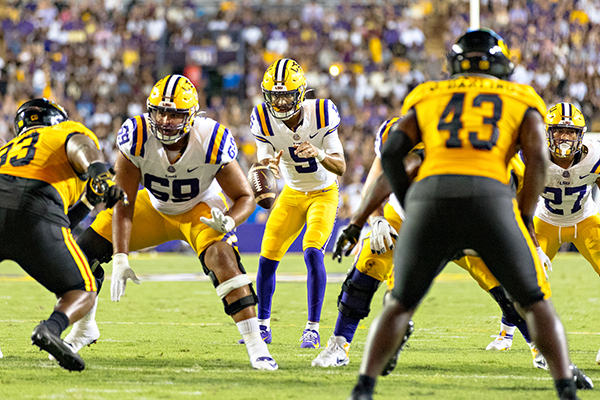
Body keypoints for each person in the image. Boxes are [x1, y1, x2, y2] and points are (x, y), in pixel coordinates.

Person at [348, 29, 587, 400]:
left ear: (454, 65)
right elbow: (538, 159)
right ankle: (565, 388)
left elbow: (392, 153)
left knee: (399, 303)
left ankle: (363, 388)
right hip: (490, 197)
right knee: (534, 301)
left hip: (431, 198)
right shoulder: (521, 97)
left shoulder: (428, 94)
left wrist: (408, 201)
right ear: (501, 65)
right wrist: (523, 216)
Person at [72, 75, 278, 370]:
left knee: (224, 259)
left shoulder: (211, 137)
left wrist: (229, 222)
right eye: (160, 112)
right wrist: (119, 258)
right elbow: (123, 201)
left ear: (191, 116)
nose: (166, 120)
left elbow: (245, 197)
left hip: (200, 209)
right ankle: (84, 328)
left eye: (175, 114)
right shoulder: (137, 134)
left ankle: (257, 347)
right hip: (154, 207)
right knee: (83, 252)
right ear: (149, 110)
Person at [313, 118, 539, 371]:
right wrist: (374, 219)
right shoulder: (400, 132)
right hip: (407, 216)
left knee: (508, 285)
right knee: (368, 264)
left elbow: (518, 203)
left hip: (468, 223)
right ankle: (340, 343)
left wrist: (530, 245)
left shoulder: (492, 145)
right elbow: (379, 177)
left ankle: (541, 349)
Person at [0, 98, 125, 371]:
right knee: (83, 288)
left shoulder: (7, 150)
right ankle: (51, 329)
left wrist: (88, 203)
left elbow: (60, 223)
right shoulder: (62, 132)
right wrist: (100, 174)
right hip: (35, 202)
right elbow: (78, 145)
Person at [485, 102, 600, 365]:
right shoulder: (530, 157)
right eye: (559, 131)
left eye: (570, 132)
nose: (565, 137)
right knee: (520, 278)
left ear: (581, 135)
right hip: (544, 222)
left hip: (584, 220)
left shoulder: (595, 156)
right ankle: (506, 333)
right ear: (547, 133)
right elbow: (517, 205)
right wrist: (534, 245)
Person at [246, 58, 345, 349]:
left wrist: (319, 154)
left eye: (286, 94)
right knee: (267, 257)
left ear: (300, 93)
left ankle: (312, 329)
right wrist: (266, 166)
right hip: (291, 193)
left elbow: (340, 166)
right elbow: (262, 157)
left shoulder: (323, 112)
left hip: (323, 192)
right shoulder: (262, 118)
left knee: (313, 253)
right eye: (274, 95)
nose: (279, 101)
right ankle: (262, 327)